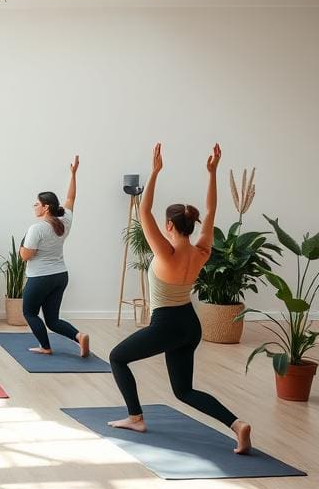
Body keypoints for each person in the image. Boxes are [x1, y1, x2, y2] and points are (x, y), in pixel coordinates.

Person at [107, 143, 252, 454]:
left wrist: (155, 172)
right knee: (184, 390)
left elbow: (143, 211)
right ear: (191, 225)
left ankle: (135, 417)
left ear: (170, 226)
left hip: (167, 325)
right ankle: (237, 425)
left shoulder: (166, 252)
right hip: (190, 325)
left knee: (117, 358)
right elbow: (212, 211)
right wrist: (211, 173)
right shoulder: (202, 250)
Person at [19, 155, 90, 356]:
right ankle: (79, 336)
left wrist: (22, 245)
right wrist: (73, 174)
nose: (34, 206)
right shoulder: (65, 220)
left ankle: (45, 347)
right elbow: (71, 199)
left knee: (29, 313)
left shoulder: (38, 228)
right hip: (60, 275)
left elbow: (26, 256)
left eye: (36, 204)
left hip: (40, 277)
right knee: (52, 319)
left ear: (46, 207)